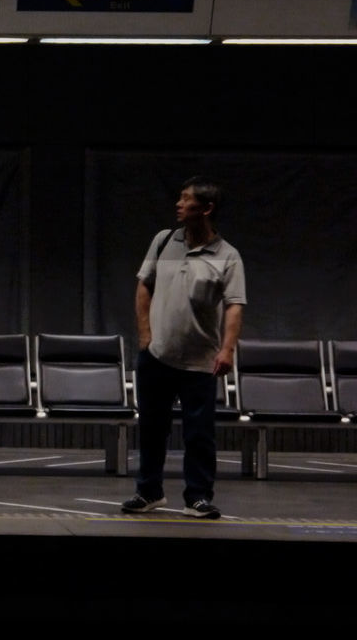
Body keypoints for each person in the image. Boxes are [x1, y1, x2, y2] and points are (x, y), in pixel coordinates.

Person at [122, 176, 246, 519]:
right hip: (157, 356)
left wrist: (227, 349)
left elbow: (235, 305)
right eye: (179, 197)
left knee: (199, 434)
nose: (178, 204)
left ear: (206, 209)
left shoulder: (228, 256)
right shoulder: (163, 241)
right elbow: (144, 287)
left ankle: (198, 497)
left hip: (200, 360)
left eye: (186, 199)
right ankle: (148, 492)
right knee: (151, 429)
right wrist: (145, 337)